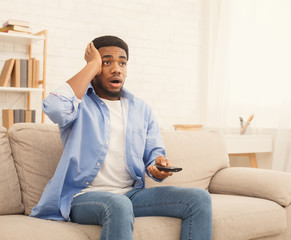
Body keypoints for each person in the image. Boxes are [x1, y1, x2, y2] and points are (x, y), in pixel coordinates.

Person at [30, 35, 212, 240]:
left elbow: (154, 154)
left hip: (131, 194)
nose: (117, 69)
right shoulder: (79, 105)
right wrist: (91, 65)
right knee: (118, 204)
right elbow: (54, 108)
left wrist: (157, 165)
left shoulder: (142, 109)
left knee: (199, 198)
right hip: (82, 197)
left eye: (122, 63)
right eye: (106, 62)